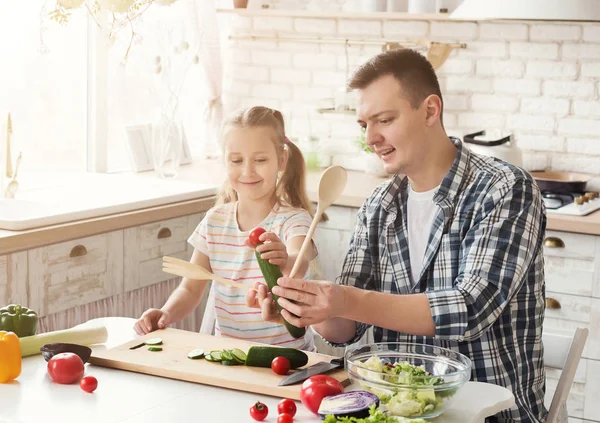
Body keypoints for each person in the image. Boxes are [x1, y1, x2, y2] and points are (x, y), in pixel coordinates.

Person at [250, 49, 547, 422]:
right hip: (397, 413)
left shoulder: (505, 189)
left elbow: (471, 308)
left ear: (430, 110)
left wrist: (342, 298)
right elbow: (345, 330)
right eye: (364, 126)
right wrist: (307, 304)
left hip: (490, 415)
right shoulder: (380, 205)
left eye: (384, 120)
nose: (371, 138)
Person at [134, 105, 318, 351]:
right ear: (225, 161)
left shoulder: (294, 219)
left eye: (260, 160)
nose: (247, 171)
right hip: (230, 356)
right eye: (236, 160)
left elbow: (300, 260)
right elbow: (190, 288)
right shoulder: (215, 220)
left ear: (281, 160)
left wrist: (285, 259)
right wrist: (166, 312)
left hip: (289, 358)